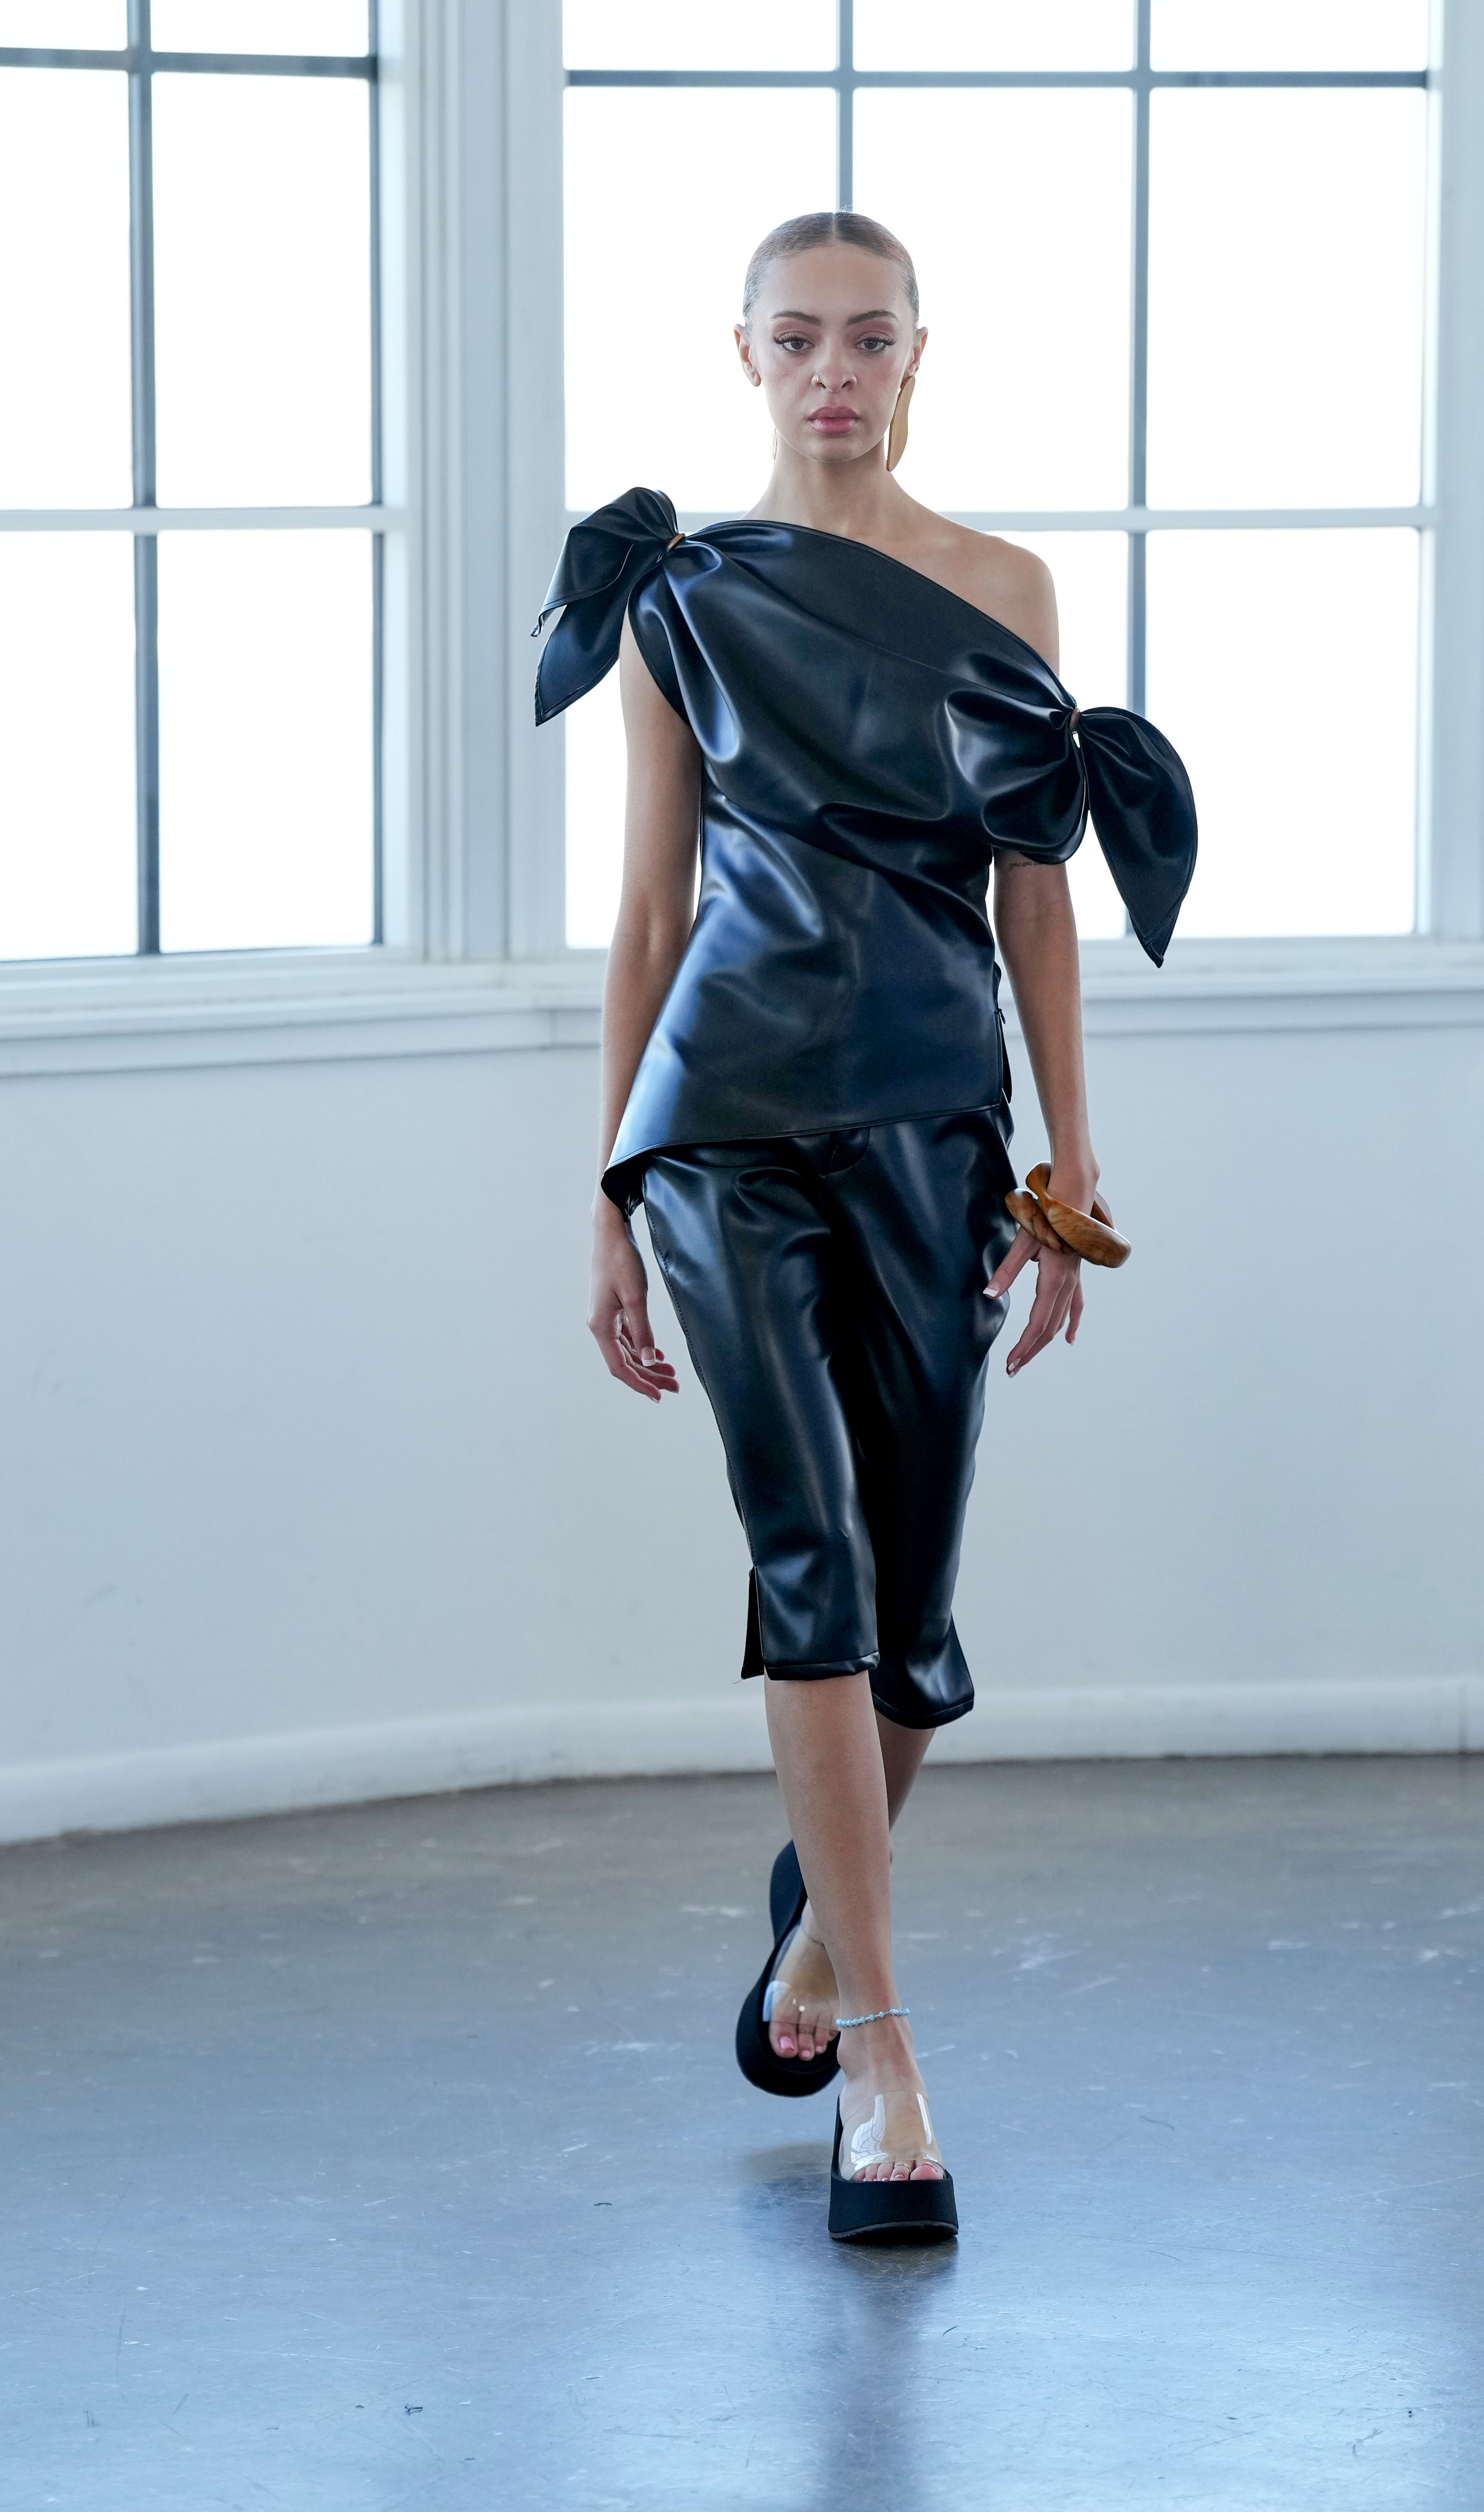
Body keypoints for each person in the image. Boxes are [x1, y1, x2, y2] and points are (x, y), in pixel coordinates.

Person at [534, 210, 1194, 2243]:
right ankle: (887, 2056)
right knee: (810, 1551)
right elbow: (651, 910)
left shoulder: (1006, 587)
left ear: (920, 355)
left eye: (871, 337)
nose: (835, 370)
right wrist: (611, 1195)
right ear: (743, 354)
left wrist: (1069, 1170)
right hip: (723, 1123)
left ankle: (822, 1929)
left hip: (935, 1126)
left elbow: (1035, 898)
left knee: (914, 1598)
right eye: (800, 336)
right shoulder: (678, 593)